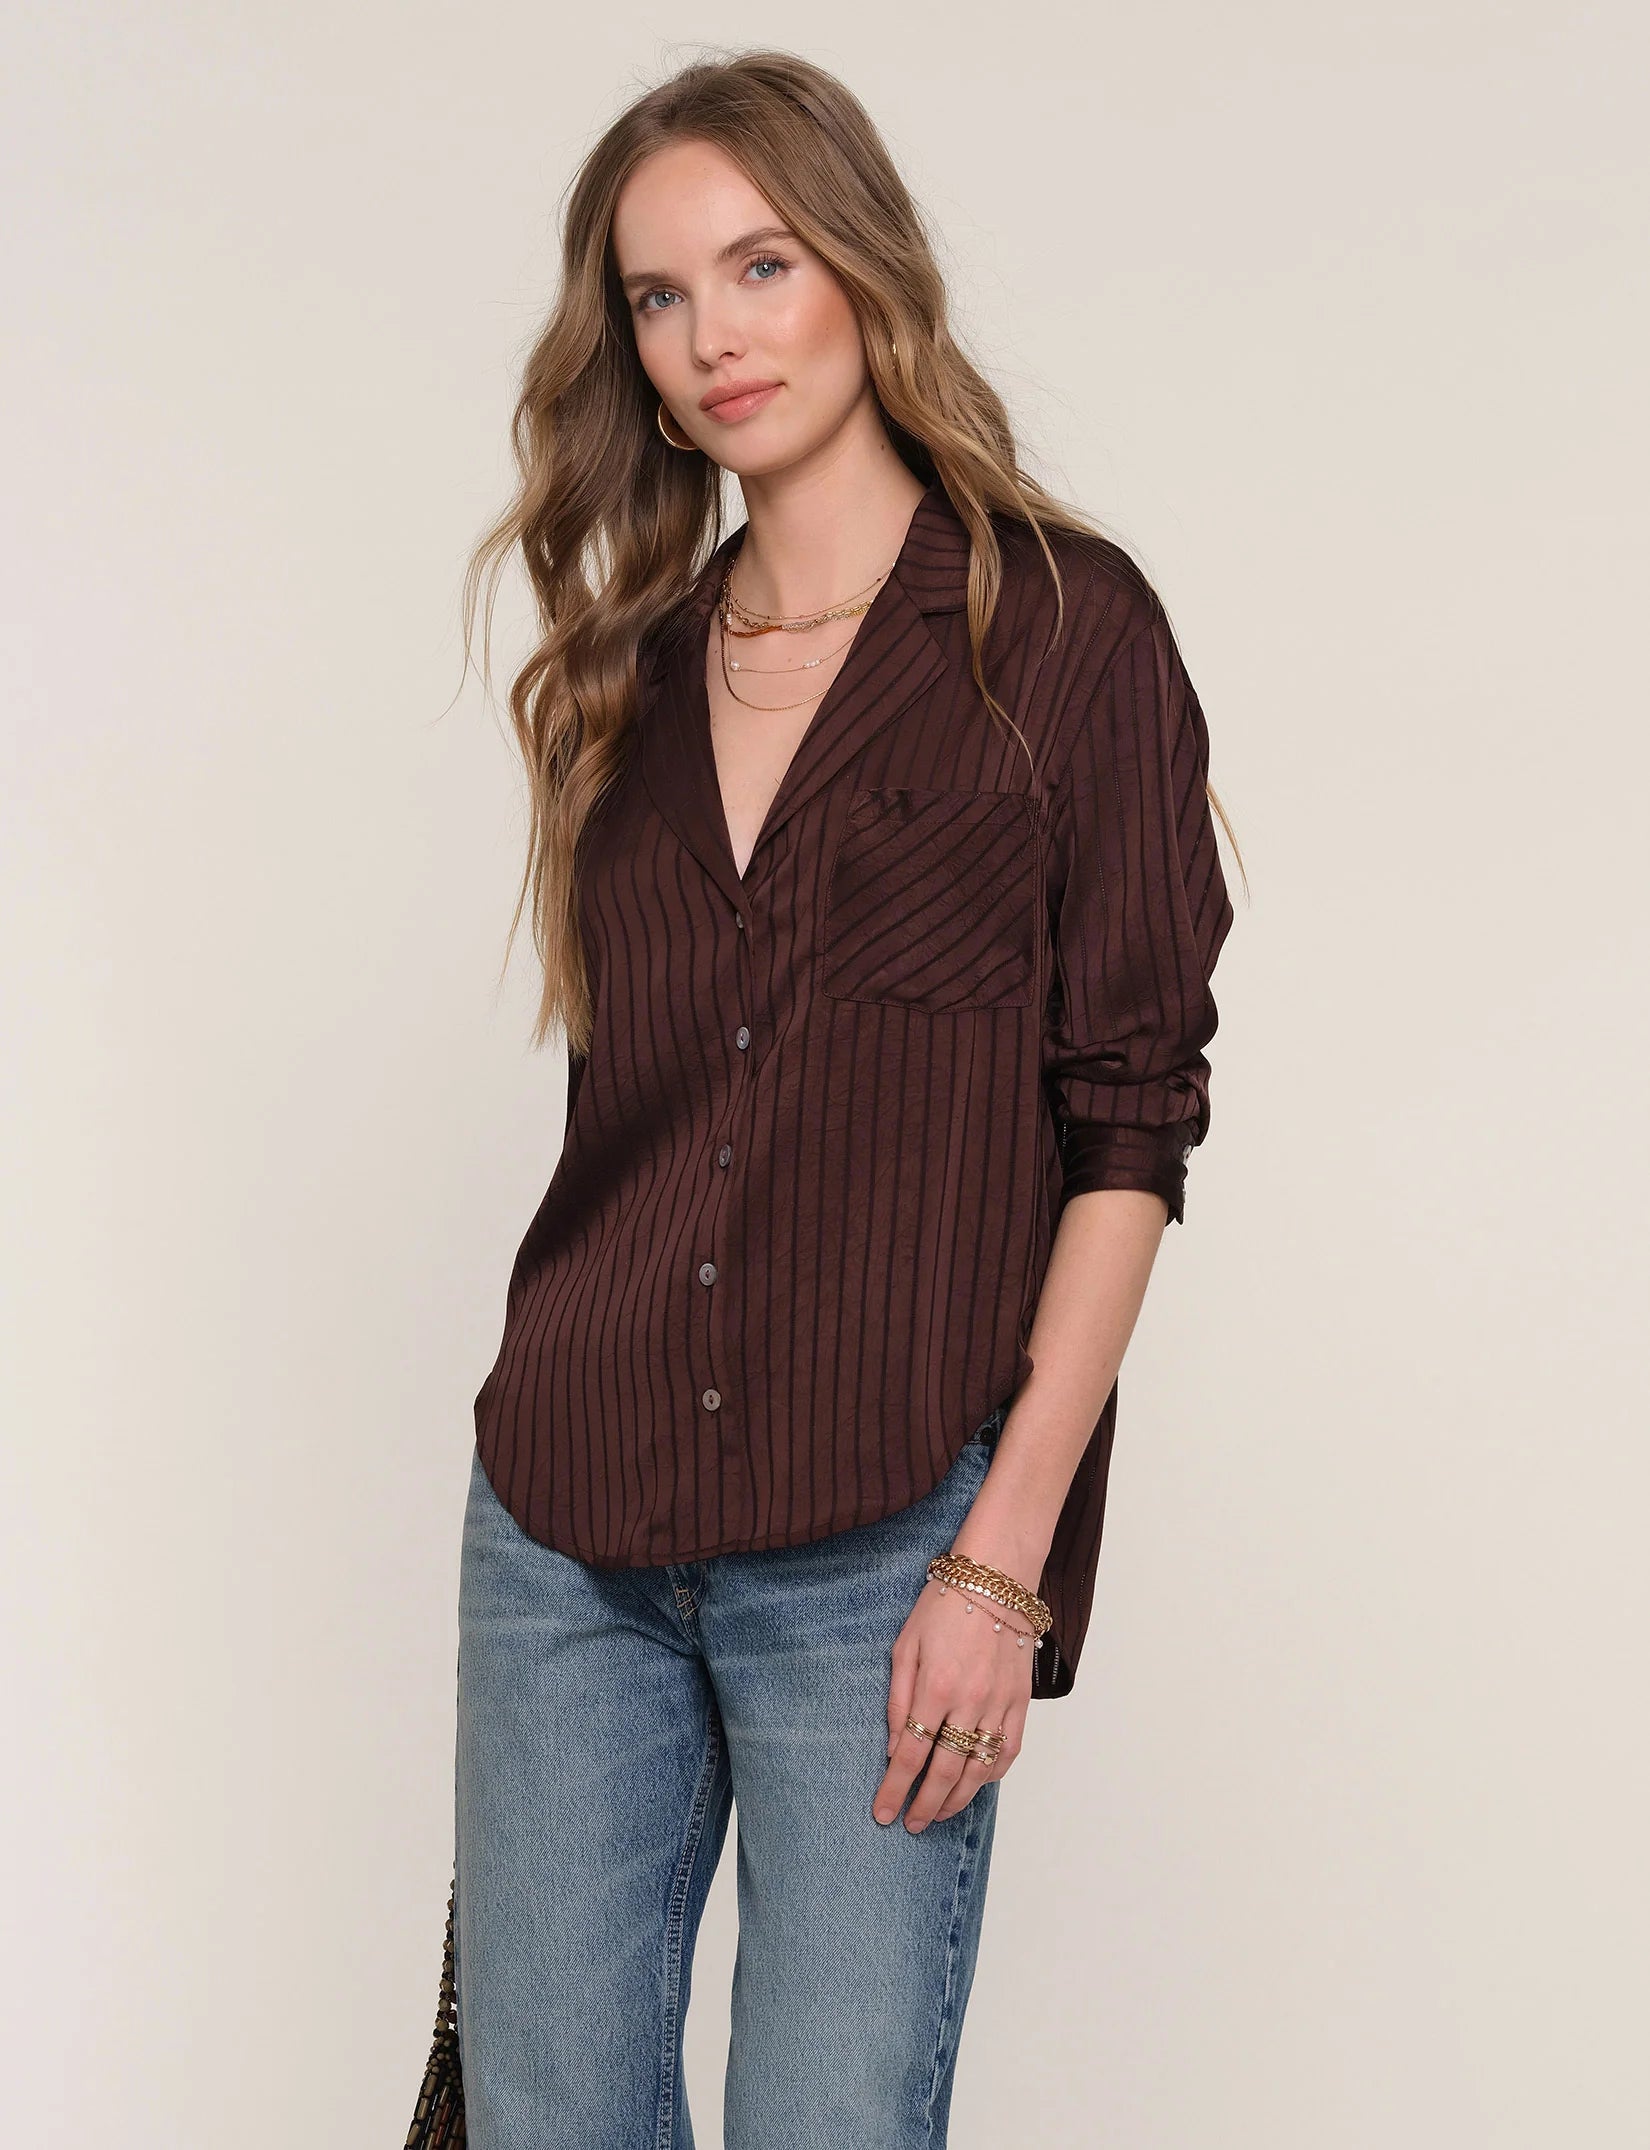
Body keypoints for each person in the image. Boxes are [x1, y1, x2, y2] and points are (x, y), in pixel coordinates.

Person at [429, 46, 1241, 2150]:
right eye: (657, 294)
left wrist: (1002, 1560)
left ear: (864, 267)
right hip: (572, 1520)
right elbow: (641, 1121)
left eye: (759, 264)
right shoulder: (625, 675)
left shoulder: (1061, 635)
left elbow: (1128, 1122)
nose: (711, 335)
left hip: (892, 1534)